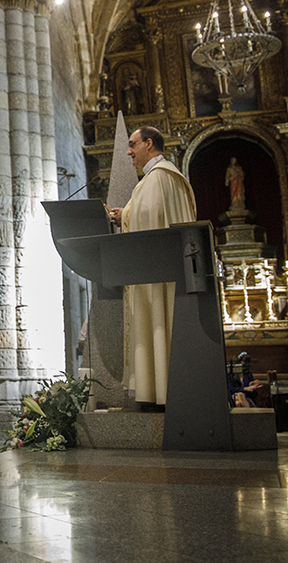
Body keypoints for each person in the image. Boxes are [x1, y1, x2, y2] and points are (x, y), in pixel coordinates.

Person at [106, 126, 197, 407]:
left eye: (132, 145)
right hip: (170, 274)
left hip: (158, 278)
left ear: (149, 143)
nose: (129, 152)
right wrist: (128, 214)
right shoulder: (166, 177)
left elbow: (151, 219)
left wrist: (128, 216)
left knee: (160, 324)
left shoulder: (158, 179)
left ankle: (162, 392)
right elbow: (152, 215)